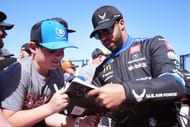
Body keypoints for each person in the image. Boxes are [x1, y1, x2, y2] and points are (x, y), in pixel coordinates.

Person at [87, 5, 187, 127]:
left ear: (121, 24)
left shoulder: (152, 45)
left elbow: (176, 85)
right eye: (98, 34)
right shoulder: (101, 69)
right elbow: (90, 103)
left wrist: (125, 91)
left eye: (107, 30)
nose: (104, 38)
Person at [1, 19, 100, 127]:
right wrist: (49, 107)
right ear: (33, 48)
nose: (59, 56)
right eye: (52, 50)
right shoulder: (17, 73)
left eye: (62, 50)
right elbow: (8, 121)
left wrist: (79, 123)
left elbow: (48, 116)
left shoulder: (56, 70)